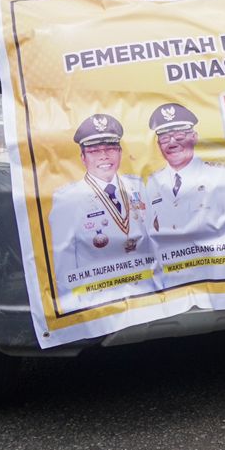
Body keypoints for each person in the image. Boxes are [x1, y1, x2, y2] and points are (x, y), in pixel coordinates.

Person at [47, 114, 160, 312]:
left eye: (110, 149)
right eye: (94, 151)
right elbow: (64, 266)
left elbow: (155, 243)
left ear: (120, 152)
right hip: (98, 303)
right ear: (83, 157)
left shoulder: (137, 186)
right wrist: (74, 312)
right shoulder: (68, 199)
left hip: (146, 294)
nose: (104, 156)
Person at [143, 103, 225, 282]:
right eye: (164, 137)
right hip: (173, 288)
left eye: (179, 134)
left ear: (194, 137)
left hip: (216, 284)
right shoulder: (153, 183)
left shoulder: (221, 175)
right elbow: (151, 241)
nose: (172, 142)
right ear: (158, 144)